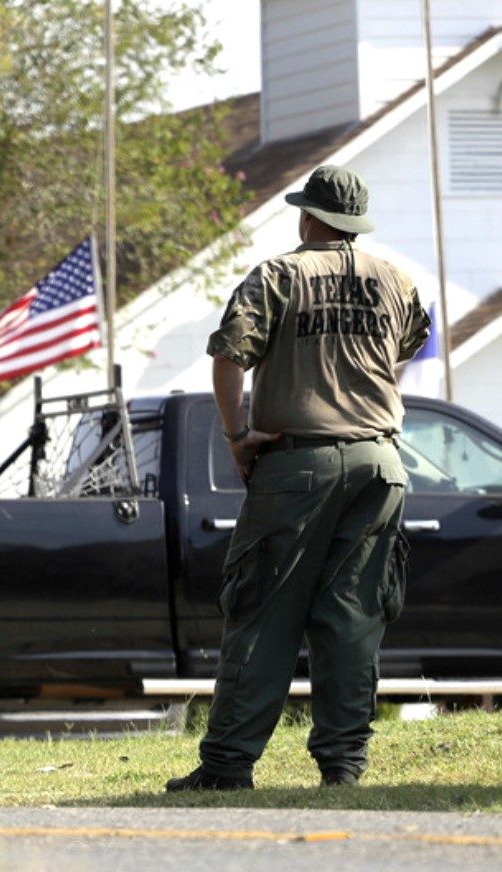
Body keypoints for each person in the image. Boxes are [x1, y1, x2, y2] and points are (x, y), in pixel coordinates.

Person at [166, 164, 429, 793]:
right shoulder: (397, 279)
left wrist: (237, 436)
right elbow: (410, 343)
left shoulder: (278, 276)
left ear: (309, 218)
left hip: (297, 463)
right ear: (355, 224)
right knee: (352, 618)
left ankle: (229, 766)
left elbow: (229, 356)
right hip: (379, 462)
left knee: (262, 612)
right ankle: (343, 767)